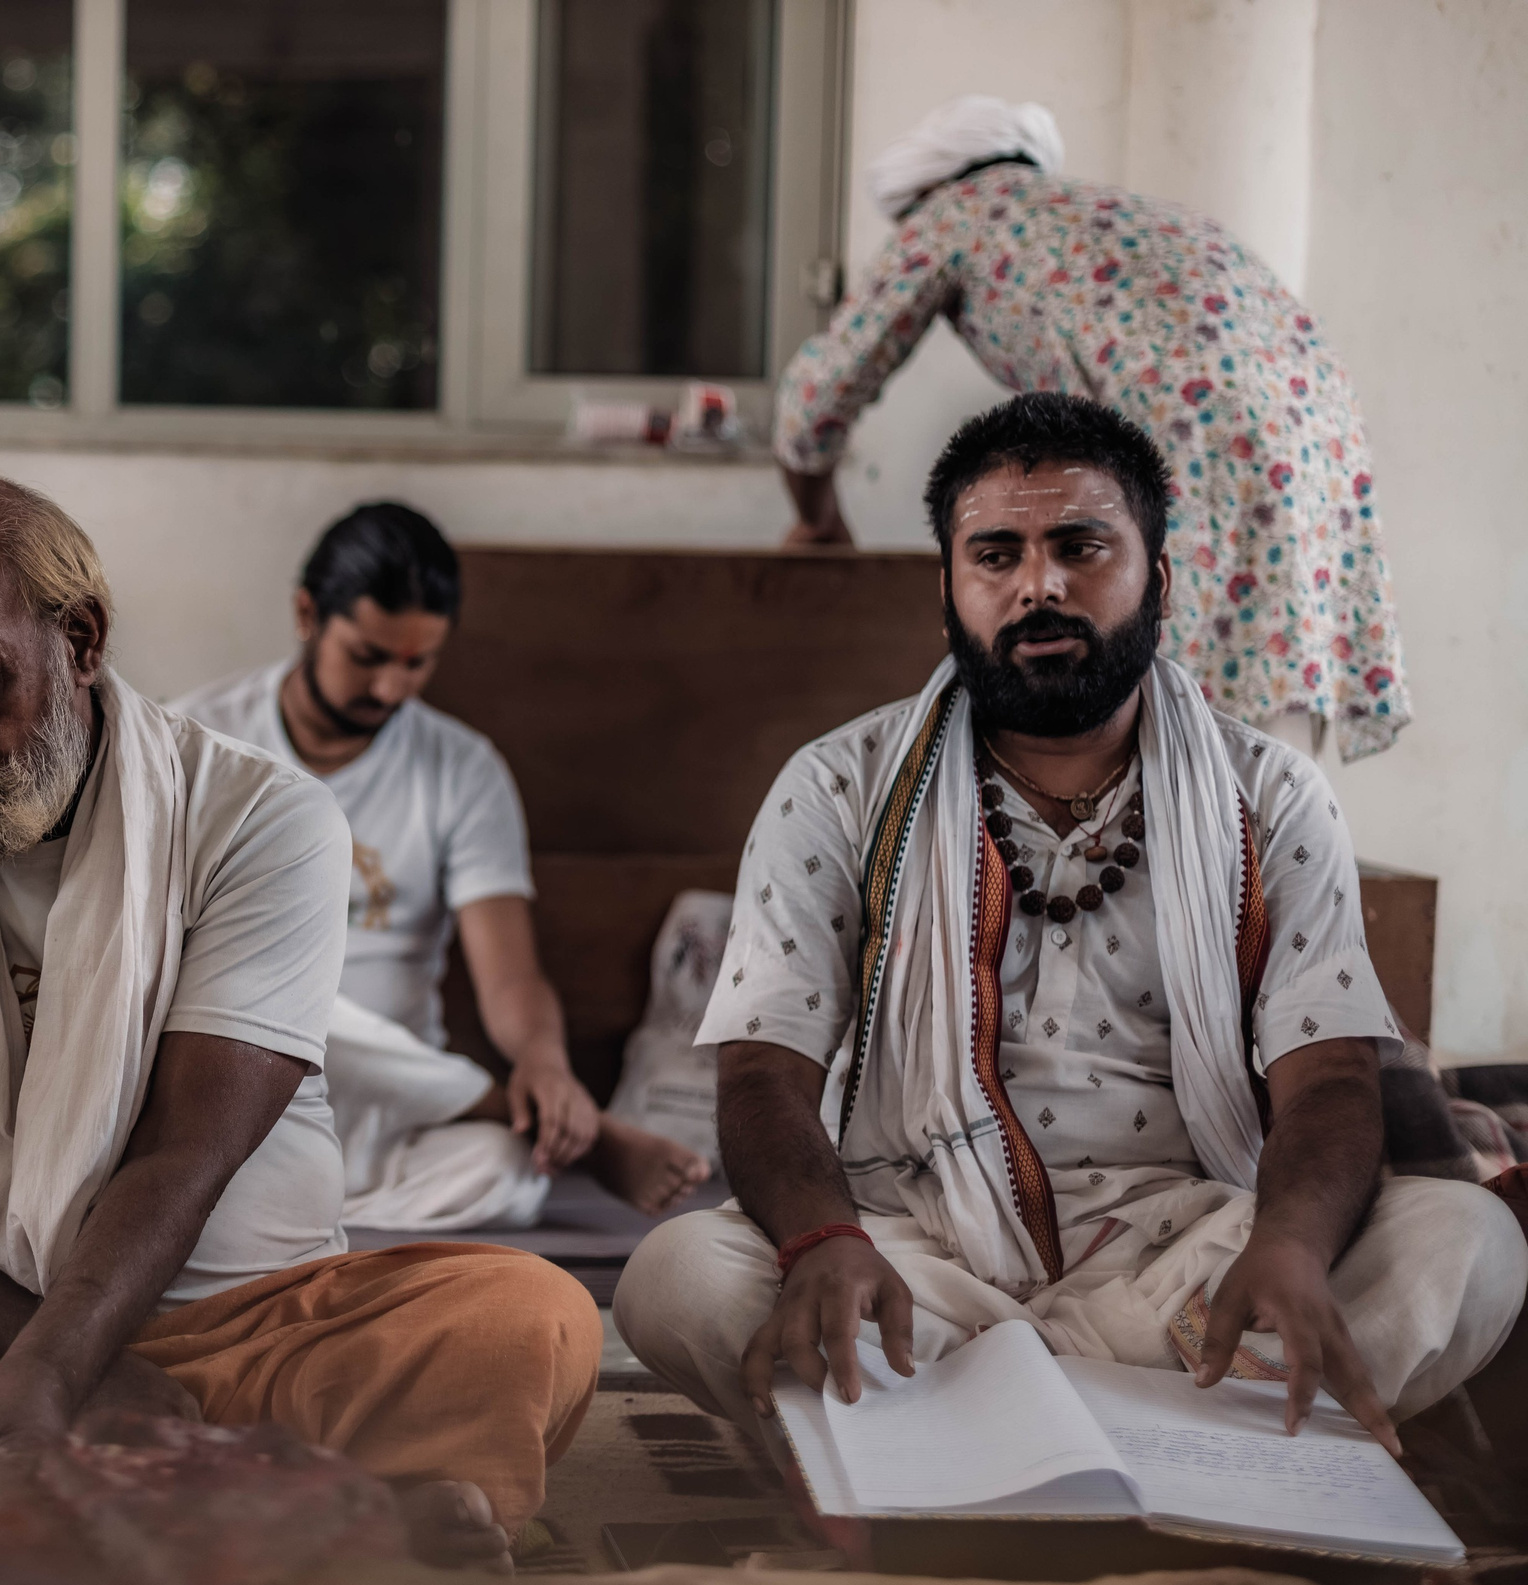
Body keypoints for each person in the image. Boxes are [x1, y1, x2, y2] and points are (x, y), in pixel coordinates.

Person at [0, 475, 599, 1567]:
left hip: (251, 1324)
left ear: (80, 638)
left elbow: (186, 1151)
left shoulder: (260, 819)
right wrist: (47, 1361)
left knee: (524, 1315)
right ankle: (313, 1523)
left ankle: (36, 1535)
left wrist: (59, 1375)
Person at [614, 394, 1522, 1447]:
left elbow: (1327, 1075)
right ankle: (1181, 1449)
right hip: (918, 1254)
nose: (1036, 584)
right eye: (994, 554)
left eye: (1079, 546)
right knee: (676, 1277)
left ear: (1159, 577)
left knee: (1469, 1239)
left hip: (1193, 1248)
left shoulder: (1269, 793)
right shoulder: (836, 786)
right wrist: (823, 1240)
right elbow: (765, 1068)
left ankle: (953, 1450)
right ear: (949, 589)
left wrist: (1288, 1249)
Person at [772, 95, 1407, 761]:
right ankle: (1279, 851)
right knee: (1272, 694)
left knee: (1164, 722)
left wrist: (816, 520)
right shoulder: (1106, 211)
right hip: (1321, 425)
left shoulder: (953, 213)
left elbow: (814, 399)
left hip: (1189, 423)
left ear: (930, 188)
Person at [175, 502, 708, 1229]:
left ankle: (293, 1211)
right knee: (280, 998)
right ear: (307, 614)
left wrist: (546, 1066)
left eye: (416, 662)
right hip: (232, 1091)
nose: (391, 688)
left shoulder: (462, 768)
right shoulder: (196, 745)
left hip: (397, 1111)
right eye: (368, 656)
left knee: (512, 1175)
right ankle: (531, 1123)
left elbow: (511, 975)